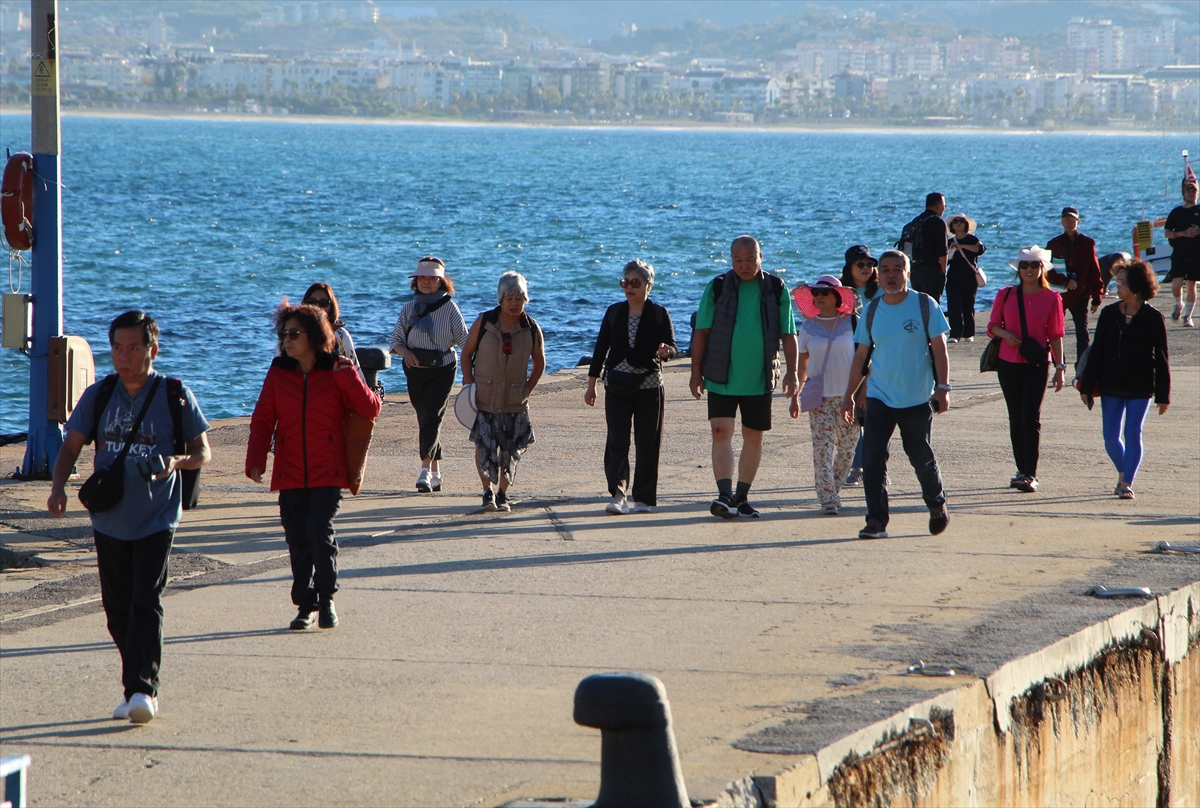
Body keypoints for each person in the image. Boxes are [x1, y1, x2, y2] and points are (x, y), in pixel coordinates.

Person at [47, 311, 211, 725]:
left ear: (152, 350)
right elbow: (71, 447)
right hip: (109, 519)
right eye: (117, 348)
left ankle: (142, 689)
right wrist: (57, 487)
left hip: (157, 517)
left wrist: (177, 461)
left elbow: (203, 450)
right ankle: (133, 684)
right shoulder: (100, 395)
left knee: (146, 601)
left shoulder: (174, 394)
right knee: (117, 609)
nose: (124, 356)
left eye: (134, 348)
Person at [246, 304, 382, 631]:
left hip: (328, 471)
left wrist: (348, 376)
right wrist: (256, 460)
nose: (287, 340)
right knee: (297, 540)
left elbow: (371, 408)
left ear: (315, 335)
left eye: (294, 334)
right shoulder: (279, 372)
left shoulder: (338, 370)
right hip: (290, 472)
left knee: (319, 532)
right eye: (283, 335)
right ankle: (305, 605)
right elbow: (263, 418)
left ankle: (327, 599)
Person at [839, 250, 951, 540]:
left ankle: (937, 504)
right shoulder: (872, 311)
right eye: (885, 269)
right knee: (873, 459)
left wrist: (943, 388)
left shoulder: (925, 305)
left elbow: (939, 349)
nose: (890, 274)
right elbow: (861, 355)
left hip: (916, 398)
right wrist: (849, 395)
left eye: (897, 269)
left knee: (921, 458)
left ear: (907, 273)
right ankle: (876, 521)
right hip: (879, 396)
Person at [690, 236, 799, 518]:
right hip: (720, 374)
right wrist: (695, 373)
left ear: (760, 256)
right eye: (738, 260)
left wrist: (793, 373)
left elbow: (789, 334)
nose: (744, 265)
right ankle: (724, 494)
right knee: (720, 432)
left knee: (753, 436)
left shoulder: (776, 288)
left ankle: (741, 496)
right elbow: (701, 332)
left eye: (750, 259)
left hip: (759, 377)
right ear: (730, 259)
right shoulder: (717, 287)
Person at [585, 259, 677, 514]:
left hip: (649, 386)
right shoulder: (614, 312)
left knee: (648, 442)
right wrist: (591, 386)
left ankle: (644, 498)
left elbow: (672, 345)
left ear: (648, 285)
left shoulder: (659, 313)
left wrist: (667, 351)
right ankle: (618, 494)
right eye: (625, 282)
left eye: (635, 283)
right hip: (616, 385)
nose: (629, 288)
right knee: (617, 440)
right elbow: (600, 349)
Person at [1076, 260, 1170, 500]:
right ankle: (1123, 471)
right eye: (1116, 281)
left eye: (1121, 282)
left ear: (1136, 285)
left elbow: (1161, 358)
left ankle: (1127, 482)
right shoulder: (1109, 314)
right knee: (1110, 436)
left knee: (1133, 432)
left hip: (1140, 386)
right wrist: (1086, 387)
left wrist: (1163, 395)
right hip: (1111, 384)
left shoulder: (1153, 317)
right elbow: (1097, 352)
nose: (1116, 286)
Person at [460, 271, 546, 512]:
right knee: (484, 446)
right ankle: (487, 492)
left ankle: (503, 494)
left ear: (525, 300)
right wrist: (469, 384)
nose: (514, 303)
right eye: (509, 298)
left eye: (519, 298)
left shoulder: (531, 328)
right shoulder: (484, 322)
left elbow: (540, 364)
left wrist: (527, 389)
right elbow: (466, 355)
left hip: (515, 401)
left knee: (510, 449)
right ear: (500, 298)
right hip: (484, 398)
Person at [986, 246, 1067, 493]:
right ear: (1018, 269)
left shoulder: (1052, 298)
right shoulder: (1006, 294)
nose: (1029, 270)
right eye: (1024, 265)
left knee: (1030, 418)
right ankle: (1021, 469)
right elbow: (991, 327)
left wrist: (1060, 367)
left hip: (1037, 364)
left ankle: (1030, 473)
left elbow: (1055, 335)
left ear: (1042, 268)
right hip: (1008, 362)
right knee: (1015, 417)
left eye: (1034, 265)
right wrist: (1005, 333)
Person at [389, 257, 469, 493]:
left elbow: (465, 342)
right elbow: (394, 342)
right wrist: (406, 353)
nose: (426, 281)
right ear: (415, 282)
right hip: (415, 371)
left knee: (432, 416)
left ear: (441, 281)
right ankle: (436, 473)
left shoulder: (450, 308)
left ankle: (424, 471)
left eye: (432, 278)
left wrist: (474, 372)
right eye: (422, 277)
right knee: (426, 419)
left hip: (443, 369)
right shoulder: (408, 308)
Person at [790, 276, 859, 515]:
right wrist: (795, 395)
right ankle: (827, 498)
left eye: (825, 292)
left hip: (849, 396)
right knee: (822, 449)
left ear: (837, 296)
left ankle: (833, 489)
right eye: (815, 293)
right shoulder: (808, 327)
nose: (819, 296)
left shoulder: (853, 323)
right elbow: (802, 365)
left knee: (848, 450)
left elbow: (865, 359)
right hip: (819, 398)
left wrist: (864, 392)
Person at [839, 245, 879, 488]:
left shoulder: (882, 291)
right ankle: (857, 465)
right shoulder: (842, 293)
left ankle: (869, 466)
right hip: (850, 360)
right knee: (852, 419)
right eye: (860, 264)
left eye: (869, 264)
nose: (866, 268)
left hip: (879, 359)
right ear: (849, 268)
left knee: (875, 418)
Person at [1046, 207, 1103, 364]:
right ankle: (1059, 364)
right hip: (1059, 294)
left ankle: (1082, 366)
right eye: (1066, 219)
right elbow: (1046, 271)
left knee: (1082, 332)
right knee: (1054, 331)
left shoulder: (1087, 243)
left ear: (1078, 221)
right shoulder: (1054, 244)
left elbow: (1095, 271)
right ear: (1061, 222)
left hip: (1081, 293)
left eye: (1072, 219)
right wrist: (1064, 282)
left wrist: (1097, 297)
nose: (1069, 222)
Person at [898, 192, 949, 302]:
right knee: (932, 305)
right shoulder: (938, 222)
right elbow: (942, 250)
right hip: (932, 270)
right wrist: (943, 271)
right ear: (937, 205)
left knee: (920, 304)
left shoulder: (915, 222)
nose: (944, 208)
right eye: (944, 205)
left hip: (915, 270)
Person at [1164, 171, 1199, 328]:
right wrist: (1183, 233)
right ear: (1184, 193)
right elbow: (1167, 233)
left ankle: (1188, 316)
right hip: (1179, 252)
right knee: (1176, 283)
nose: (1191, 194)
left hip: (1196, 253)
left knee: (1192, 284)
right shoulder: (1176, 212)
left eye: (1194, 191)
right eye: (1188, 191)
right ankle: (1179, 304)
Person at [944, 213, 987, 343]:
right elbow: (945, 259)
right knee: (953, 304)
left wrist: (962, 247)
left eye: (961, 221)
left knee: (968, 304)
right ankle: (954, 334)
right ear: (951, 226)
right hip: (953, 275)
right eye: (955, 221)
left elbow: (980, 249)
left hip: (969, 275)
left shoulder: (972, 239)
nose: (958, 223)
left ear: (966, 224)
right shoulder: (949, 241)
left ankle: (968, 333)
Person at [301, 283, 359, 367]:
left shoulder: (341, 336)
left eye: (323, 303)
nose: (317, 306)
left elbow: (356, 372)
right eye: (311, 302)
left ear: (331, 307)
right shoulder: (294, 334)